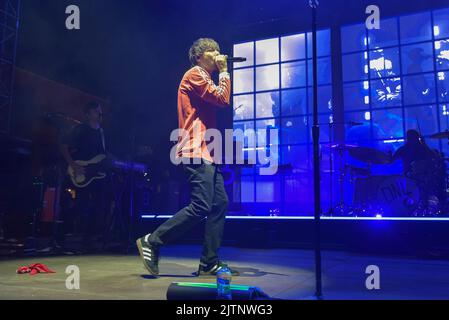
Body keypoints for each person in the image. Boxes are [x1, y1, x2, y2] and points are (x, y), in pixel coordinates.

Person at [136, 38, 239, 277]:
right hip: (194, 150)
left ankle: (209, 263)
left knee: (219, 203)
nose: (218, 54)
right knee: (201, 204)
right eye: (214, 51)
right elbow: (222, 99)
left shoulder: (204, 77)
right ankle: (153, 239)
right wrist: (224, 72)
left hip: (208, 152)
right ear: (200, 56)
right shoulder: (195, 74)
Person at [60, 101, 107, 252]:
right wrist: (73, 164)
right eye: (96, 111)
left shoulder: (102, 133)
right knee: (81, 206)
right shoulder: (81, 129)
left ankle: (89, 240)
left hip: (96, 176)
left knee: (99, 206)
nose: (100, 113)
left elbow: (103, 155)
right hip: (81, 173)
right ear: (88, 114)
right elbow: (63, 146)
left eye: (100, 111)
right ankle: (67, 238)